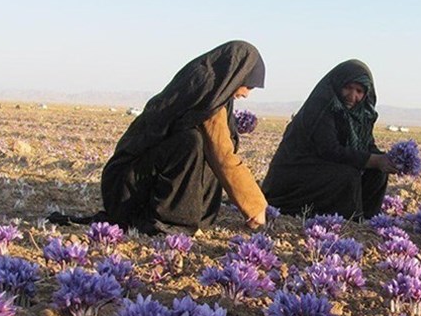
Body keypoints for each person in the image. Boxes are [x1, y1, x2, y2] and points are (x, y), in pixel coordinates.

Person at [49, 40, 268, 235]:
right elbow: (222, 155)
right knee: (191, 141)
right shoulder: (205, 94)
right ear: (235, 73)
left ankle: (190, 217)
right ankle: (170, 221)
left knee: (199, 143)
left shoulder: (215, 92)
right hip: (127, 189)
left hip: (138, 183)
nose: (247, 93)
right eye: (247, 85)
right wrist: (255, 206)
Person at [260, 59, 398, 221]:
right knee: (348, 175)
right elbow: (328, 149)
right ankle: (349, 221)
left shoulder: (361, 115)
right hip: (297, 172)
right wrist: (372, 160)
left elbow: (367, 145)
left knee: (377, 173)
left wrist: (387, 159)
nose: (352, 96)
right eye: (347, 87)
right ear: (337, 84)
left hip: (325, 167)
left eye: (359, 91)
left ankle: (368, 219)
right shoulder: (321, 107)